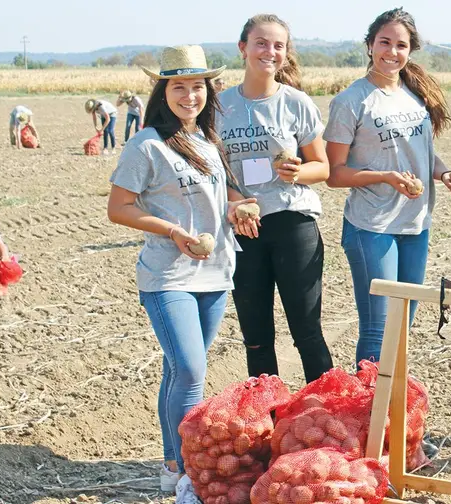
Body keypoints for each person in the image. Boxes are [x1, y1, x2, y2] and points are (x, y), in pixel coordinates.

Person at [106, 45, 253, 497]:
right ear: (163, 91)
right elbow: (118, 208)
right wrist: (172, 231)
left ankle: (172, 463)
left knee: (178, 371)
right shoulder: (145, 143)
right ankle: (183, 469)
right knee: (191, 370)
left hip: (214, 272)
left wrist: (240, 208)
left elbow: (220, 200)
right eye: (179, 87)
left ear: (208, 91)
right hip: (168, 275)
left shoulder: (209, 141)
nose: (189, 96)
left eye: (197, 87)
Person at [325, 8, 451, 368]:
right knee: (378, 328)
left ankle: (393, 418)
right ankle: (370, 419)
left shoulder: (414, 95)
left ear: (410, 50)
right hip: (371, 226)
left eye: (401, 45)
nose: (392, 51)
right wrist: (386, 177)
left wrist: (445, 173)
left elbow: (420, 154)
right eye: (384, 42)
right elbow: (335, 174)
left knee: (403, 326)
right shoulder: (351, 101)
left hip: (415, 224)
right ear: (370, 45)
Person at [216, 14, 334, 383]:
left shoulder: (296, 103)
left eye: (278, 45)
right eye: (261, 43)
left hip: (291, 221)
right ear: (243, 48)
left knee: (307, 331)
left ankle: (325, 414)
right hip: (242, 227)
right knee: (256, 338)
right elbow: (214, 170)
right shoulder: (218, 107)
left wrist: (297, 171)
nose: (270, 51)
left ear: (286, 53)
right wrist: (238, 200)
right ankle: (267, 420)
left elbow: (323, 167)